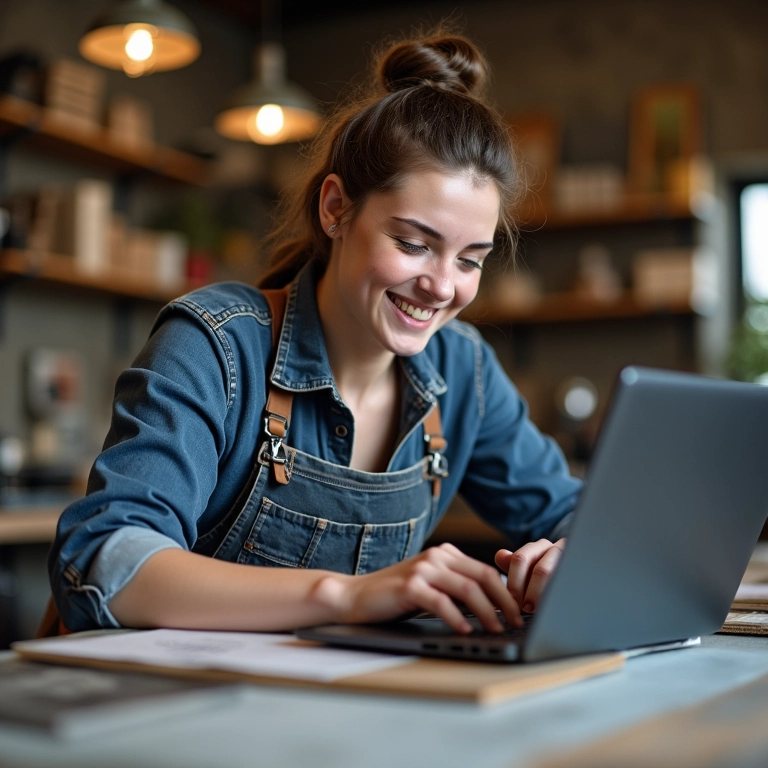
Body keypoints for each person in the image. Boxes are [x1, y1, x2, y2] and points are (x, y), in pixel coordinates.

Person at [48, 30, 582, 636]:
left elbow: (577, 513)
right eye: (413, 244)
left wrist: (571, 552)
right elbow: (108, 560)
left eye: (469, 260)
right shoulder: (217, 345)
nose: (440, 286)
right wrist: (346, 596)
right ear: (335, 209)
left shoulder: (463, 371)